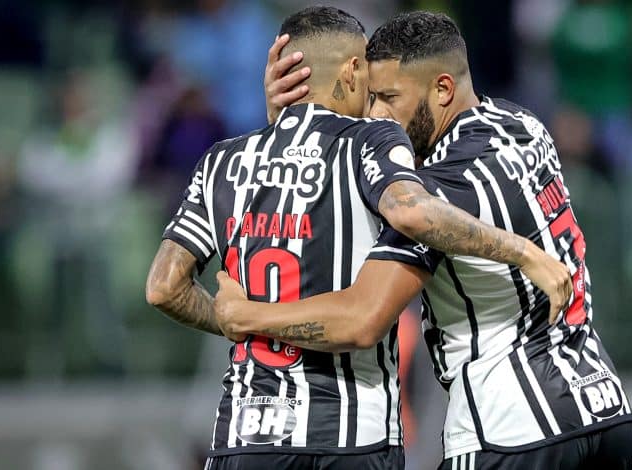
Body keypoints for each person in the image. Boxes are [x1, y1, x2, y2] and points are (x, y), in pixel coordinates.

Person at [145, 7, 571, 470]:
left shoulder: (222, 161)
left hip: (247, 435)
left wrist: (239, 321)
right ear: (351, 71)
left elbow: (164, 287)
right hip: (354, 437)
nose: (377, 101)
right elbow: (411, 208)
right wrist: (522, 251)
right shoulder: (373, 141)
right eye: (372, 85)